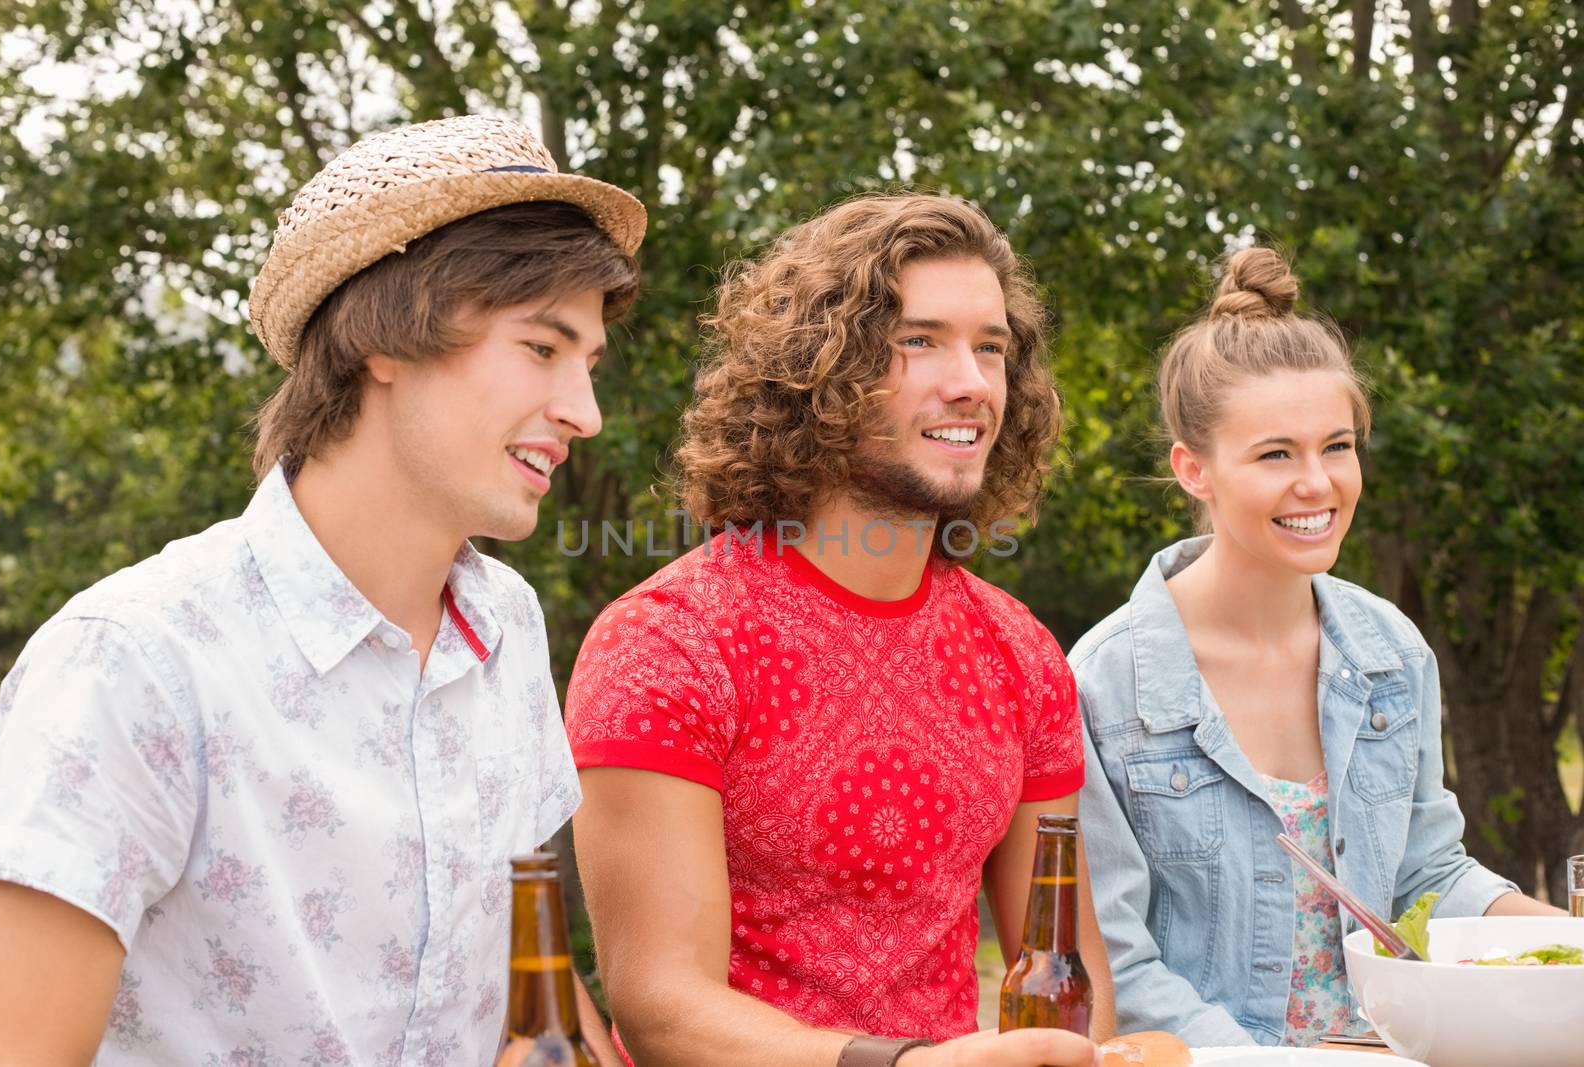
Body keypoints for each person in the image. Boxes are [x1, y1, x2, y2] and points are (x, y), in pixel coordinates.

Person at [0, 115, 645, 1066]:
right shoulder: (132, 661)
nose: (585, 412)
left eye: (588, 364)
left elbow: (527, 979)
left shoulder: (506, 623)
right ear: (386, 338)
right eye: (543, 348)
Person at [564, 193, 1112, 1067]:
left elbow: (1067, 976)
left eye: (992, 348)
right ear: (817, 371)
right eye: (918, 341)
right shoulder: (666, 645)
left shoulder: (1022, 654)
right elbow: (660, 1007)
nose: (970, 381)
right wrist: (902, 1065)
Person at [1071, 246, 1563, 1047]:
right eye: (1275, 454)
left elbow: (1427, 878)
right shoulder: (1105, 684)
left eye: (1337, 445)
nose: (1319, 483)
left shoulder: (1392, 654)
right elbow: (1118, 968)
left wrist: (1569, 948)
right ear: (1194, 469)